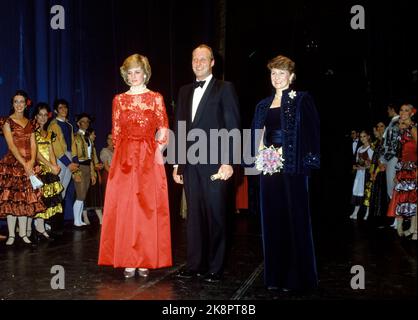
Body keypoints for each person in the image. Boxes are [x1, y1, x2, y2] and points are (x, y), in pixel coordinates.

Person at [249, 55, 320, 292]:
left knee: (295, 221)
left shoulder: (302, 100)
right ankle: (275, 277)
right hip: (269, 170)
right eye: (273, 73)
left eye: (281, 73)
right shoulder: (262, 105)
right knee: (272, 222)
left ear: (291, 76)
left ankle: (297, 278)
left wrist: (306, 165)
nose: (276, 78)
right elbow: (257, 135)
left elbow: (312, 134)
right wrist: (259, 157)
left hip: (293, 169)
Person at [98, 53, 172, 278]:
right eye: (129, 73)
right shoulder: (119, 99)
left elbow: (163, 128)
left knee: (147, 208)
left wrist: (157, 152)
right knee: (127, 208)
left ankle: (145, 259)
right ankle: (128, 259)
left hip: (149, 157)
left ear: (145, 72)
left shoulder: (155, 98)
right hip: (125, 158)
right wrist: (119, 159)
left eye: (137, 72)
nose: (133, 76)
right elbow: (117, 132)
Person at [173, 44, 241, 283]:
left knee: (217, 215)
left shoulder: (225, 88)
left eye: (204, 59)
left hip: (216, 164)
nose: (198, 63)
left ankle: (215, 266)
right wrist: (177, 164)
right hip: (190, 165)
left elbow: (233, 128)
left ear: (213, 62)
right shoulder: (183, 91)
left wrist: (229, 161)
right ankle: (194, 264)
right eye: (195, 59)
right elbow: (180, 129)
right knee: (194, 217)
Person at [0, 90, 46, 246]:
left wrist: (32, 161)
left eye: (21, 101)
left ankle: (24, 233)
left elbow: (34, 143)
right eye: (16, 101)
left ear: (26, 104)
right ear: (12, 104)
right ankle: (12, 234)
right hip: (14, 164)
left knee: (27, 200)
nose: (19, 104)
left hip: (29, 163)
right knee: (13, 201)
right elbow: (11, 146)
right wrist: (24, 163)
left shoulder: (31, 122)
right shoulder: (7, 122)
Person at [28, 103, 63, 241]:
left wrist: (55, 166)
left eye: (45, 115)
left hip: (49, 169)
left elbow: (51, 151)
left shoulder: (48, 133)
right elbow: (36, 154)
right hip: (37, 168)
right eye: (40, 115)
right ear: (35, 116)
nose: (43, 118)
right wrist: (49, 165)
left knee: (46, 200)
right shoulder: (33, 132)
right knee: (38, 199)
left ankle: (40, 228)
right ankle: (34, 229)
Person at [48, 99, 79, 233]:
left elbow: (73, 143)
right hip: (60, 158)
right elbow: (56, 147)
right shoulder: (53, 125)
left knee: (63, 190)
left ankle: (58, 222)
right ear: (56, 110)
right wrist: (68, 162)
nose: (64, 110)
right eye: (60, 108)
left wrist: (75, 160)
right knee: (56, 189)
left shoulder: (69, 125)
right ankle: (50, 221)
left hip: (69, 157)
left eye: (65, 107)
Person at [387, 104, 417, 240]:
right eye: (401, 110)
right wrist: (398, 170)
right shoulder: (401, 129)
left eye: (406, 110)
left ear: (411, 113)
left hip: (414, 167)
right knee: (400, 197)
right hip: (403, 168)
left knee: (414, 198)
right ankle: (400, 227)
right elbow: (400, 152)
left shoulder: (414, 128)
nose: (403, 112)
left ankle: (414, 229)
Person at [72, 113, 97, 227]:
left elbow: (90, 157)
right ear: (78, 123)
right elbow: (74, 154)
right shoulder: (75, 137)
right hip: (79, 167)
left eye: (87, 121)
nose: (86, 123)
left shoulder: (89, 138)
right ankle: (76, 220)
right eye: (83, 121)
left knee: (83, 195)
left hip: (87, 167)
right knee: (80, 195)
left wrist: (93, 173)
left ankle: (79, 219)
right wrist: (75, 171)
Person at [380, 104, 400, 227]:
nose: (387, 111)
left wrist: (384, 159)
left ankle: (398, 218)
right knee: (391, 188)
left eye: (388, 109)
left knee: (393, 188)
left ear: (392, 109)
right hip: (390, 158)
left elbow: (393, 145)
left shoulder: (396, 122)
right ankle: (396, 218)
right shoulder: (392, 122)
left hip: (393, 158)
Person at [349, 130, 373, 220]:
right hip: (359, 174)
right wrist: (355, 167)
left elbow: (372, 164)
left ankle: (367, 213)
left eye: (364, 136)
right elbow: (358, 161)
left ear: (368, 137)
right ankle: (355, 212)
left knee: (367, 193)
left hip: (366, 174)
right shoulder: (359, 149)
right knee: (357, 192)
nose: (362, 138)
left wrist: (364, 168)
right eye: (361, 137)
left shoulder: (370, 148)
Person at [83, 127, 104, 225]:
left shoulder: (93, 147)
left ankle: (101, 218)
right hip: (87, 173)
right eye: (93, 134)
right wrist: (94, 168)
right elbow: (87, 161)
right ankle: (85, 216)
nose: (95, 136)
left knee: (95, 196)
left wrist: (98, 165)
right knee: (85, 196)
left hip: (93, 173)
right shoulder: (85, 146)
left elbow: (94, 161)